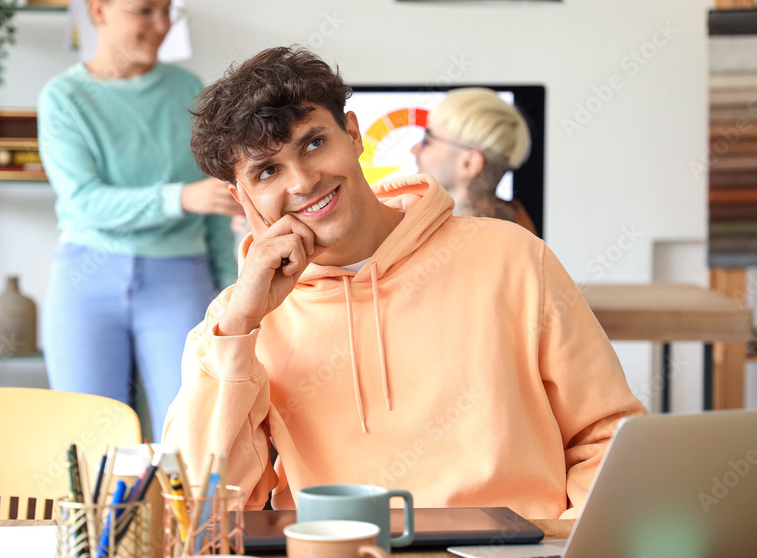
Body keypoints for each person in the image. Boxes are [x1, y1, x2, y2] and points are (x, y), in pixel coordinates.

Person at [162, 46, 646, 518]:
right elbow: (200, 509)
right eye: (267, 171)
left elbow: (609, 438)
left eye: (313, 144)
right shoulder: (238, 320)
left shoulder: (515, 257)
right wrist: (240, 326)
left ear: (352, 134)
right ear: (241, 197)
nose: (303, 182)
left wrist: (561, 551)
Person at [38, 0, 241, 441]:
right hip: (86, 282)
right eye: (144, 10)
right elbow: (83, 201)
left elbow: (214, 203)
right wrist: (179, 198)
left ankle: (190, 525)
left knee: (193, 437)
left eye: (167, 9)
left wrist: (230, 292)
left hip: (181, 278)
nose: (161, 24)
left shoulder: (188, 92)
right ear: (98, 9)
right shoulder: (64, 98)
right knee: (89, 444)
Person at [412, 87, 537, 234]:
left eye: (427, 140)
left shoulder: (501, 248)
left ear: (469, 163)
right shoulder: (522, 240)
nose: (414, 149)